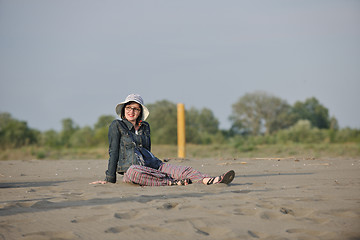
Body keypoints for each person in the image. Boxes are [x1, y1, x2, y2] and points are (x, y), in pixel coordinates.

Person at [90, 94, 235, 186]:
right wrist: (109, 179)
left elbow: (148, 150)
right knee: (134, 172)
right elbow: (113, 151)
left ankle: (210, 180)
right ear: (124, 110)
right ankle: (171, 181)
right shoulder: (117, 125)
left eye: (135, 109)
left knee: (183, 169)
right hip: (132, 170)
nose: (131, 111)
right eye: (128, 107)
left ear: (140, 112)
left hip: (153, 165)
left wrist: (156, 166)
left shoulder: (145, 126)